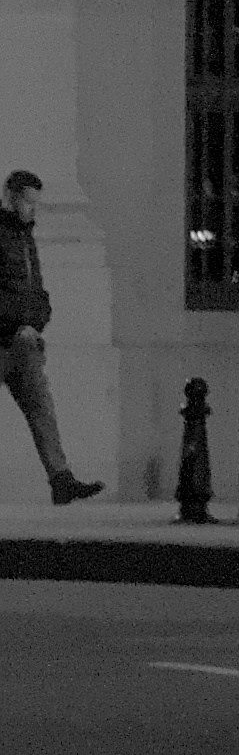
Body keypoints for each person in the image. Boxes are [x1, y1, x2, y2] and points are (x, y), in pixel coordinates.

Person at [0, 172, 100, 506]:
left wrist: (36, 322)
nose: (33, 209)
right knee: (40, 407)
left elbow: (36, 290)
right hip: (6, 337)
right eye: (28, 202)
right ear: (11, 196)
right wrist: (19, 323)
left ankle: (61, 479)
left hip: (24, 342)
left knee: (42, 409)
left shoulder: (25, 235)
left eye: (35, 203)